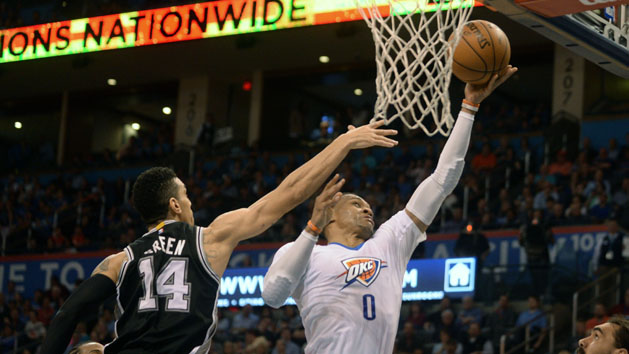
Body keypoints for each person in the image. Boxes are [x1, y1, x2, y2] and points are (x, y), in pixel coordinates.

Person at [40, 122, 398, 354]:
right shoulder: (210, 239)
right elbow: (289, 192)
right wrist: (344, 142)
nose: (193, 203)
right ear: (175, 206)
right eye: (188, 196)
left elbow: (66, 315)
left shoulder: (118, 261)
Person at [261, 67, 518, 353]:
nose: (367, 209)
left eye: (368, 205)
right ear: (330, 214)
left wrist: (470, 107)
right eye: (356, 203)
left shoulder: (388, 242)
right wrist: (312, 229)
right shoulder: (304, 252)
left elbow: (444, 178)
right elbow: (273, 295)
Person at [518, 210, 554, 298]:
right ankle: (536, 296)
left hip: (543, 258)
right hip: (531, 257)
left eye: (539, 214)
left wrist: (549, 234)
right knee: (534, 278)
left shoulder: (544, 226)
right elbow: (521, 242)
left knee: (544, 278)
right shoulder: (526, 227)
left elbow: (551, 241)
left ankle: (544, 295)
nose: (536, 216)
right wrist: (521, 236)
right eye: (535, 214)